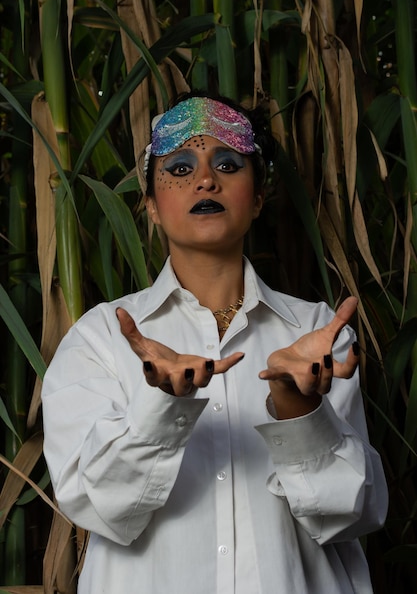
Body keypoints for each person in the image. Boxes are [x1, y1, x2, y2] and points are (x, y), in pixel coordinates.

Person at [42, 93, 388, 594]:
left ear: (259, 197)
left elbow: (352, 514)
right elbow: (99, 507)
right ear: (151, 206)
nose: (206, 179)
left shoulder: (318, 332)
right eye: (179, 168)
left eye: (228, 163)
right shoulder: (100, 339)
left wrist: (296, 409)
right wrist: (161, 406)